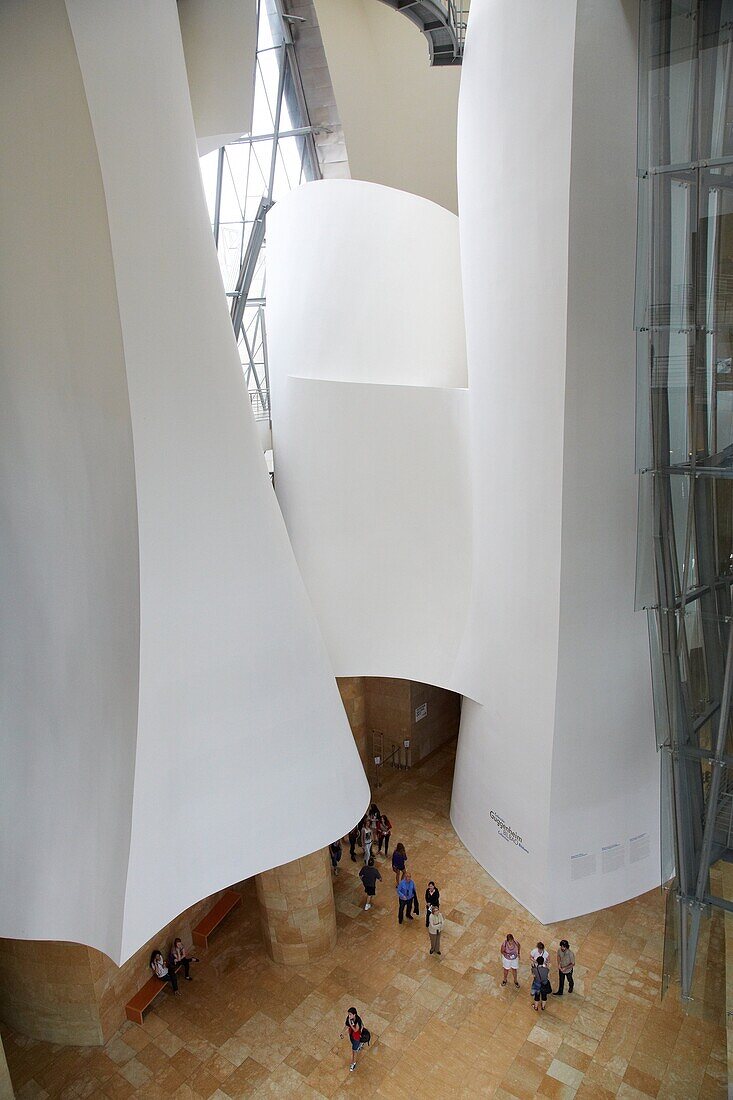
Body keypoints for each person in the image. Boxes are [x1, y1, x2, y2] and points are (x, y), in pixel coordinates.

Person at [340, 1007, 365, 1072]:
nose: (349, 1016)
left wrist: (350, 1024)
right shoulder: (349, 1019)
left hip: (356, 1038)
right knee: (354, 1046)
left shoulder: (358, 1020)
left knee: (354, 1051)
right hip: (351, 1036)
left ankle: (353, 1063)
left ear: (354, 1014)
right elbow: (346, 1025)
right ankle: (360, 1044)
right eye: (348, 1014)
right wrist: (342, 1032)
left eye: (350, 1014)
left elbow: (356, 1030)